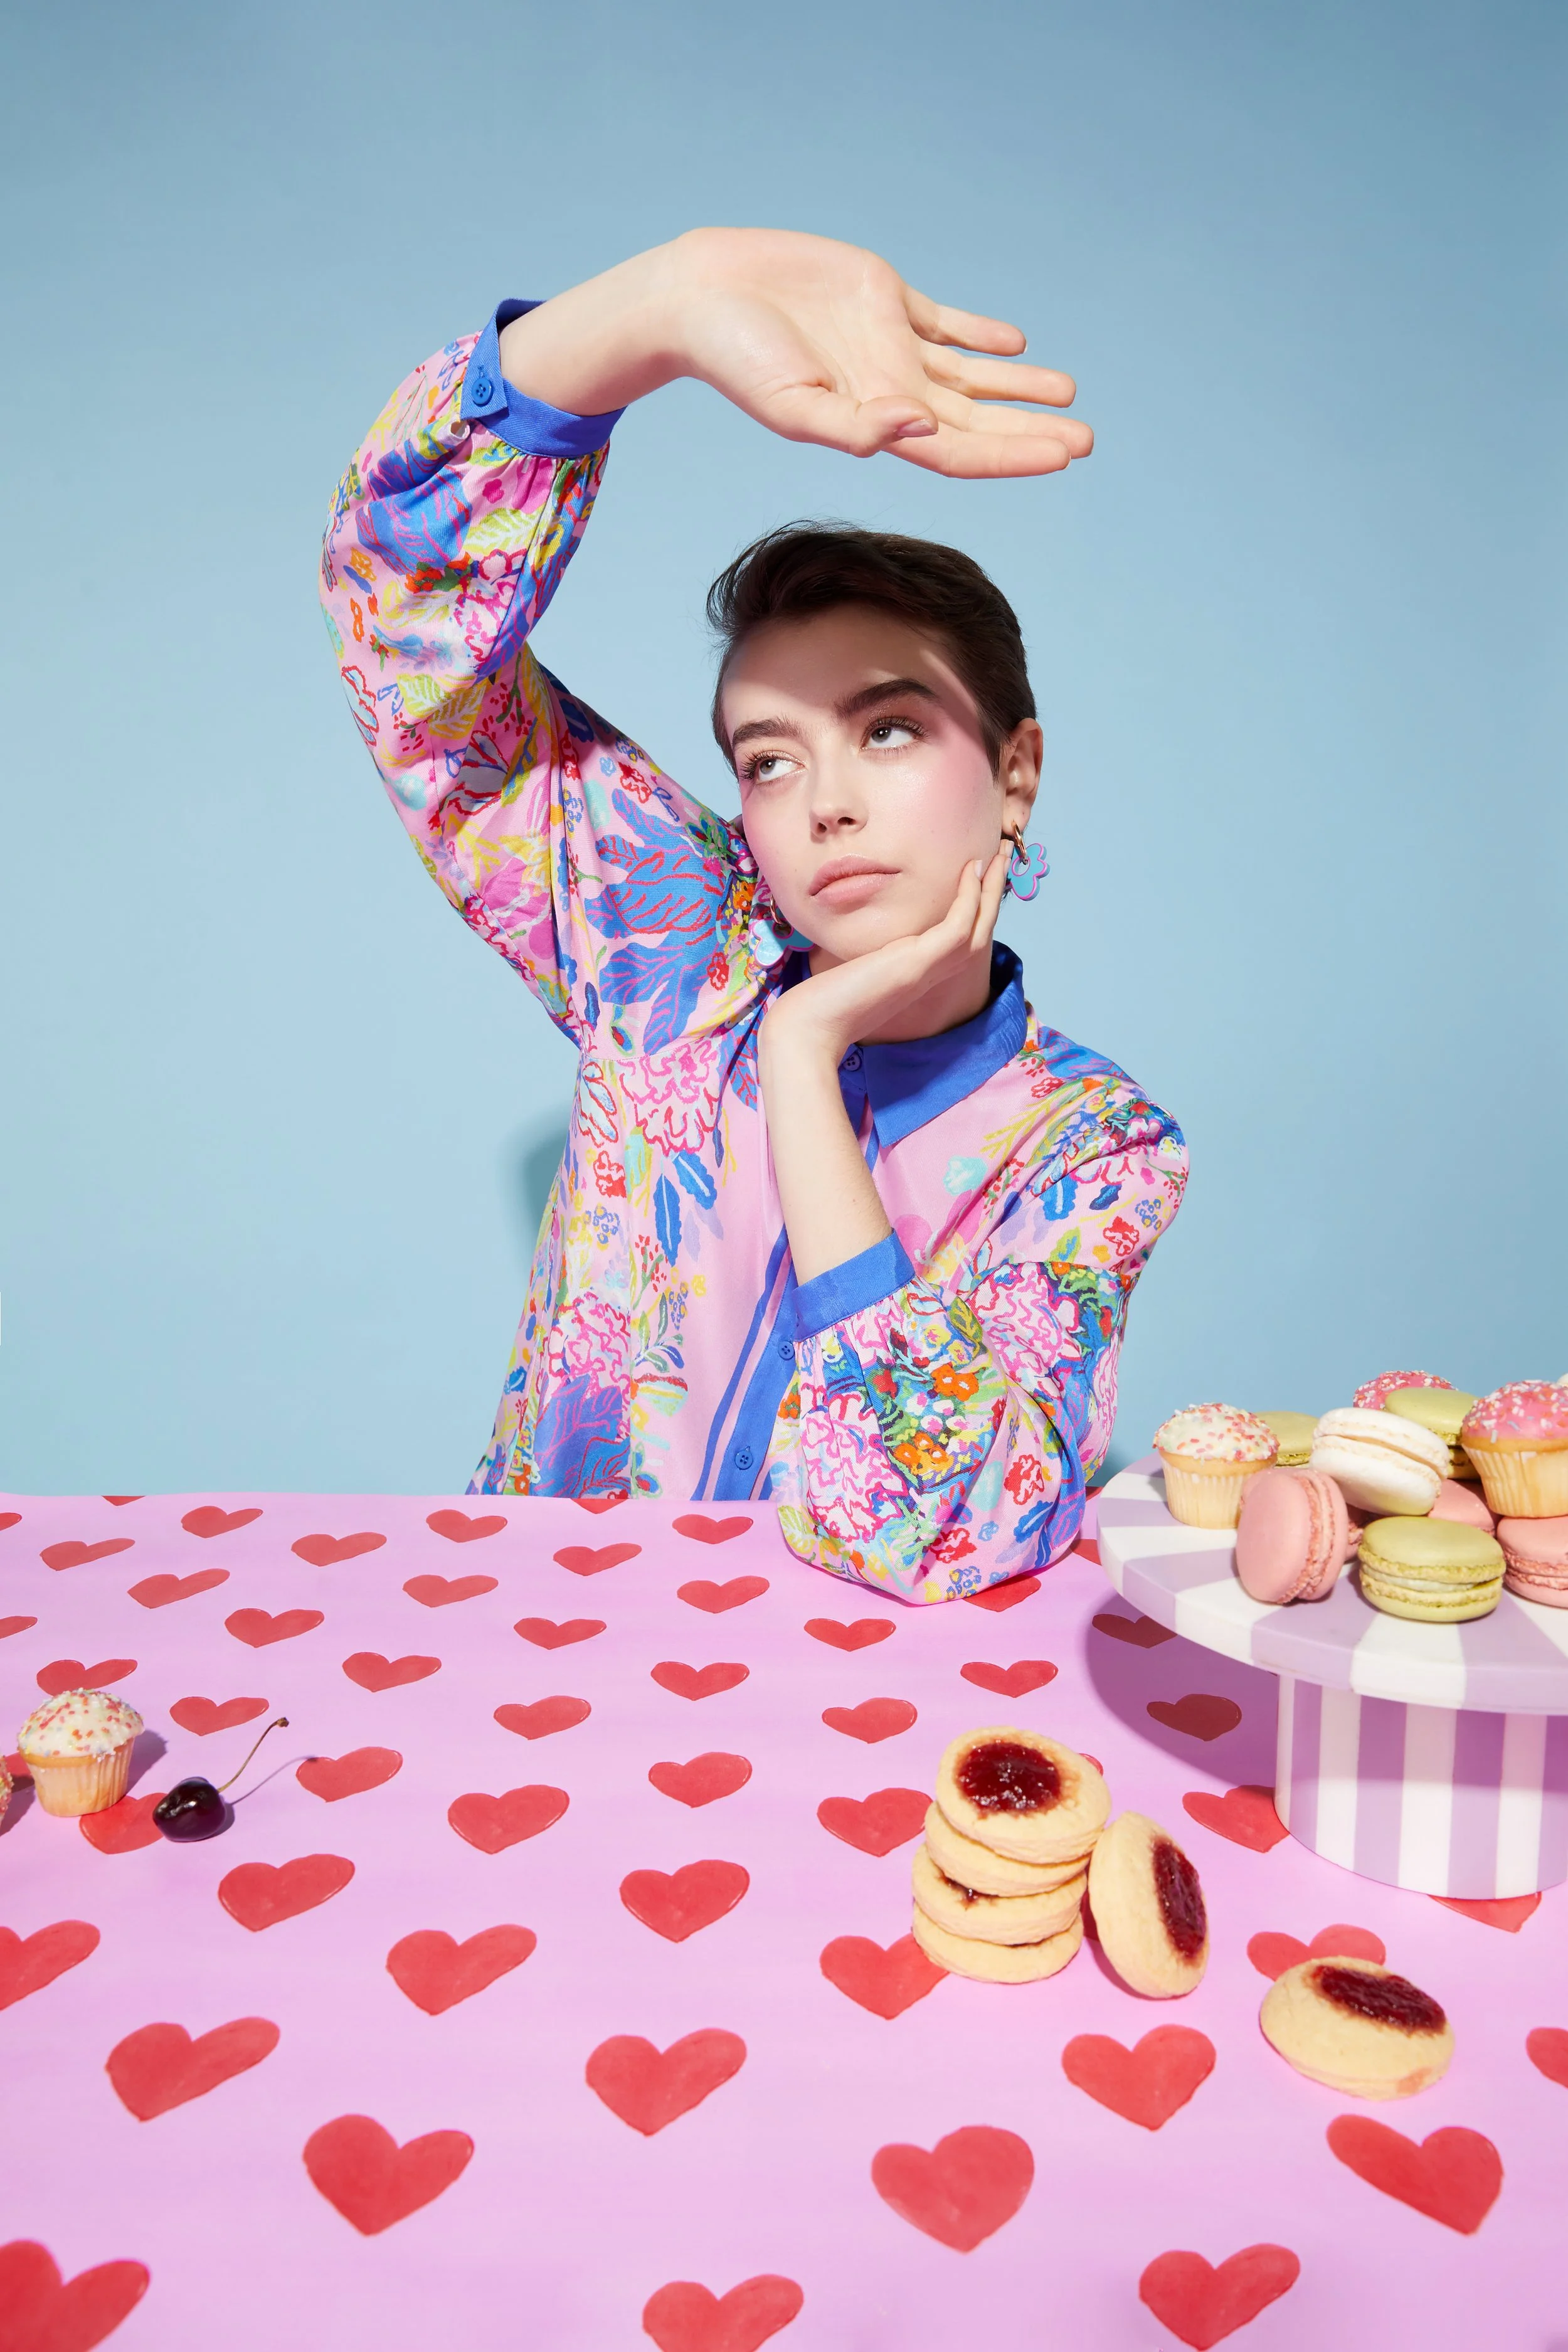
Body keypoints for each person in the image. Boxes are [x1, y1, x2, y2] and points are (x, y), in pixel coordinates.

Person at [319, 228, 1187, 1603]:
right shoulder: (667, 950)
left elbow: (942, 1526)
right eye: (767, 760)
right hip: (523, 1659)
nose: (820, 803)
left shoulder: (1094, 1152)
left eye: (887, 731)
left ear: (1014, 770)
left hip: (861, 1743)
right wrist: (656, 310)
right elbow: (404, 624)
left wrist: (799, 1065)